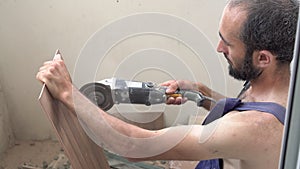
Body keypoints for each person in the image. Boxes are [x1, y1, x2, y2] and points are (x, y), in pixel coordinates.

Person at [36, 0, 299, 168]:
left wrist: (69, 93)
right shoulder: (280, 76)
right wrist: (201, 93)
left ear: (263, 57)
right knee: (175, 159)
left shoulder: (256, 129)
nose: (219, 48)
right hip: (227, 156)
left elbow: (134, 146)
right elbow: (247, 107)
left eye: (227, 44)